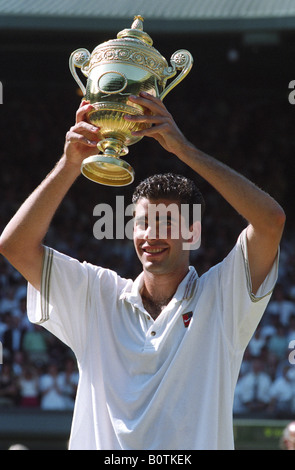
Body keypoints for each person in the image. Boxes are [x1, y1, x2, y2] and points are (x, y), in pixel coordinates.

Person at [0, 92, 285, 449]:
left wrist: (184, 150)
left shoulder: (222, 298)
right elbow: (14, 245)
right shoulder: (96, 293)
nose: (152, 235)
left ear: (192, 232)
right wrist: (70, 163)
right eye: (143, 222)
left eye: (168, 222)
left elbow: (271, 221)